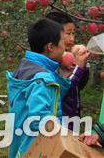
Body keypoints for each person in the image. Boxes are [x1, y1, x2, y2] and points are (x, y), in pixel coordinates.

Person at [6, 18, 71, 158]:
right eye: (63, 44)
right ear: (51, 47)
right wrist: (62, 133)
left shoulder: (28, 67)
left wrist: (62, 78)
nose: (65, 49)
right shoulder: (41, 79)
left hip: (21, 142)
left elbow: (51, 98)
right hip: (35, 147)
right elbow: (38, 117)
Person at [45, 12, 90, 132]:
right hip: (60, 123)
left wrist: (83, 68)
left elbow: (78, 86)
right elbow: (64, 90)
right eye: (68, 33)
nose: (72, 38)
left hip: (71, 118)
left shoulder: (67, 58)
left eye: (73, 33)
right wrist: (78, 68)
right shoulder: (54, 62)